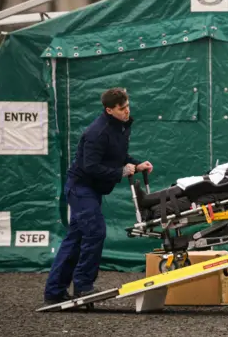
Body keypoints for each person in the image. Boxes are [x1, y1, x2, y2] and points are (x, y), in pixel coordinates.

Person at [43, 87, 153, 304]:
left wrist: (137, 164)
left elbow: (117, 156)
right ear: (109, 110)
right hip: (81, 188)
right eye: (122, 109)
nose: (127, 112)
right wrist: (122, 171)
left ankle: (54, 292)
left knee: (75, 239)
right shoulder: (97, 132)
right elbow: (91, 166)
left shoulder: (120, 127)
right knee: (95, 232)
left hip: (91, 190)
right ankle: (83, 287)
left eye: (128, 106)